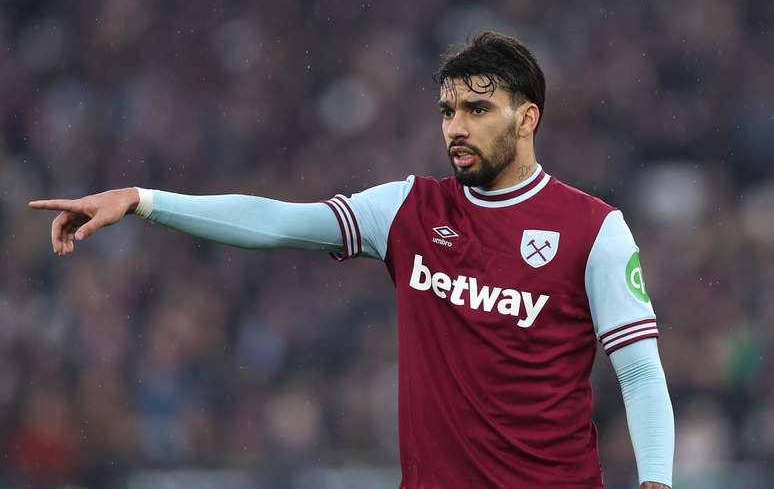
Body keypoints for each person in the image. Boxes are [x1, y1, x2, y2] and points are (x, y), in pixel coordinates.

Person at [30, 32, 674, 489]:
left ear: (527, 118)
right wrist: (144, 200)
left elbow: (641, 373)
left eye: (477, 110)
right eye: (448, 111)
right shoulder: (408, 209)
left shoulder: (595, 230)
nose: (456, 127)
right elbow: (276, 221)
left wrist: (655, 483)